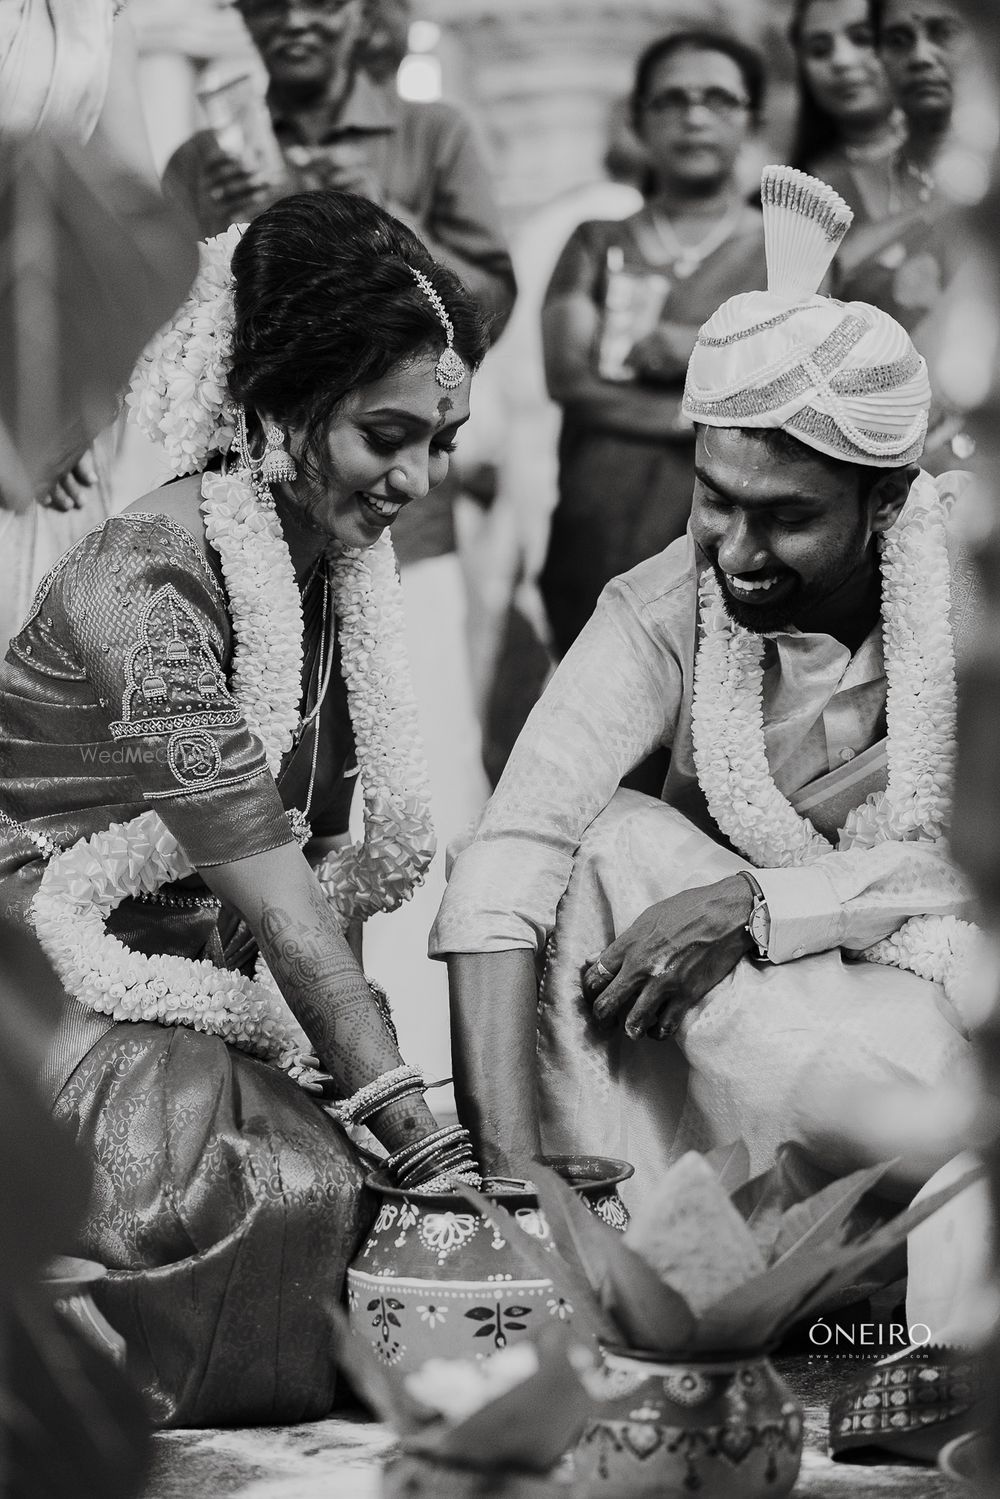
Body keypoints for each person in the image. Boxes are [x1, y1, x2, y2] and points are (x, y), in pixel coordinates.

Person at [0, 189, 487, 1426]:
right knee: (287, 1189)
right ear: (276, 404)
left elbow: (331, 879)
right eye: (388, 435)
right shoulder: (147, 583)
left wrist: (363, 1084)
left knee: (354, 1178)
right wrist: (421, 1136)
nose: (417, 481)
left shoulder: (323, 569)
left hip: (204, 992)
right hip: (44, 972)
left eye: (443, 441)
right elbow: (275, 893)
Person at [431, 167, 977, 1204]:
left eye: (785, 515)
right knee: (605, 845)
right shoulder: (666, 603)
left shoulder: (973, 588)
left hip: (930, 1009)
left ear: (886, 499)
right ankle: (604, 1230)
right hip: (728, 1039)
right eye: (714, 499)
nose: (736, 550)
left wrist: (765, 900)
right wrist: (507, 1192)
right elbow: (514, 849)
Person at [537, 30, 767, 658]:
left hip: (735, 547)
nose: (695, 116)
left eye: (718, 99)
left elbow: (795, 389)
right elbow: (571, 382)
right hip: (597, 533)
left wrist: (696, 347)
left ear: (753, 119)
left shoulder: (788, 251)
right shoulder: (596, 242)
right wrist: (699, 411)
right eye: (672, 100)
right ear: (638, 119)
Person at [788, 0, 906, 216]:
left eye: (862, 39)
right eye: (820, 50)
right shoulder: (796, 200)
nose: (842, 61)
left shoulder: (963, 156)